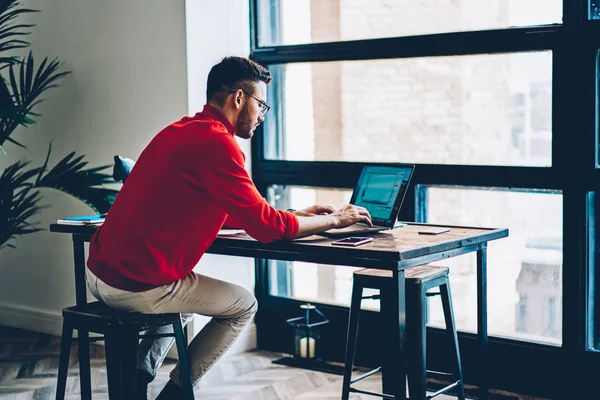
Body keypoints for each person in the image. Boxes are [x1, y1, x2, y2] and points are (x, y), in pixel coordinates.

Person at [85, 56, 372, 400]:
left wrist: (295, 213)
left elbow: (237, 213)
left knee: (188, 297)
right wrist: (336, 219)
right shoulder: (218, 144)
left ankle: (136, 377)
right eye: (261, 105)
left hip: (99, 273)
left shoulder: (180, 130)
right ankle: (176, 393)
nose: (263, 116)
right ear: (239, 99)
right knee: (243, 305)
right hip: (135, 285)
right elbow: (266, 228)